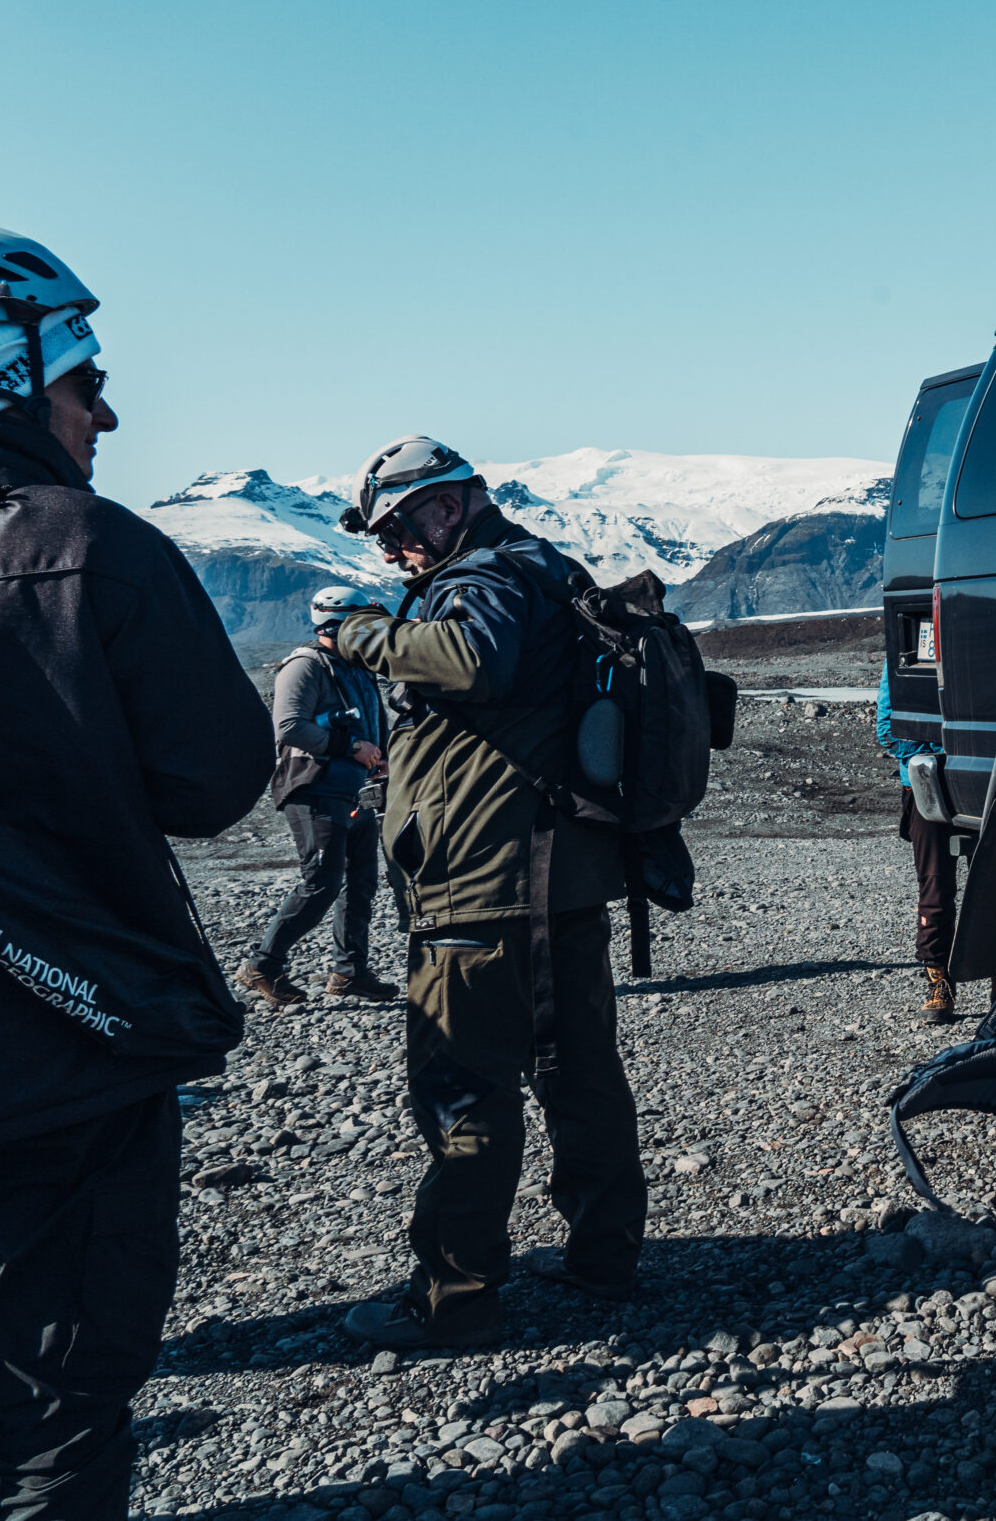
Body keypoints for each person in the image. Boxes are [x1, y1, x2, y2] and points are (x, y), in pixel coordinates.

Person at [0, 224, 271, 1519]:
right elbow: (216, 779)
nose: (106, 410)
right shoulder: (86, 546)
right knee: (61, 1396)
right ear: (9, 374)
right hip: (59, 1048)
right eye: (85, 379)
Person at [327, 435, 648, 1350]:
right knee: (579, 1072)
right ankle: (604, 1257)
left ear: (446, 504)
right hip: (559, 876)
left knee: (463, 1085)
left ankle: (455, 1296)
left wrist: (358, 633)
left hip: (484, 885)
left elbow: (473, 658)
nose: (392, 552)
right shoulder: (542, 566)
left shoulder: (487, 577)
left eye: (397, 529)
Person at [239, 585, 397, 1005]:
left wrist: (379, 756)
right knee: (322, 883)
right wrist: (352, 748)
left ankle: (350, 973)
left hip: (356, 790)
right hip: (316, 787)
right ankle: (262, 966)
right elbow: (288, 727)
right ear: (339, 622)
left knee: (360, 884)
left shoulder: (357, 667)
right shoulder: (305, 666)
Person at [875, 656, 957, 1023]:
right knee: (935, 885)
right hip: (927, 785)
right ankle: (938, 981)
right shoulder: (904, 657)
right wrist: (939, 757)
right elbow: (888, 730)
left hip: (979, 782)